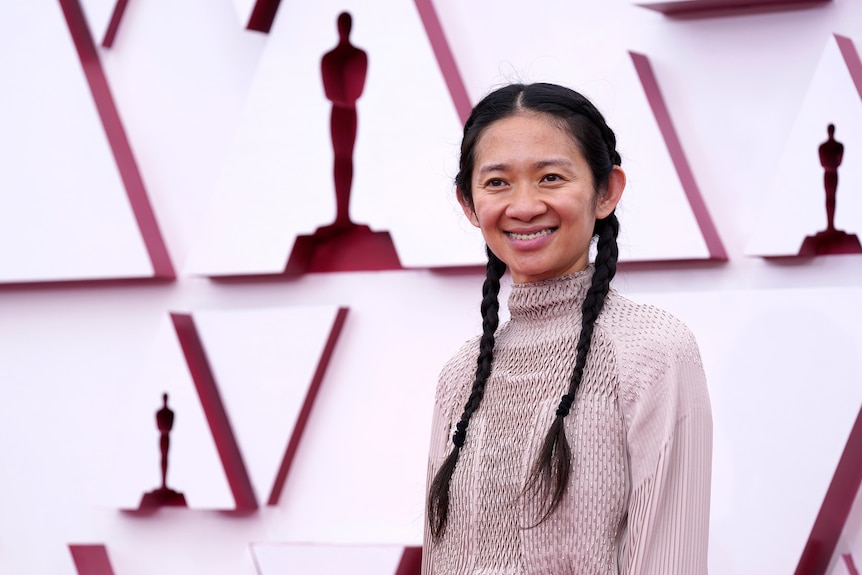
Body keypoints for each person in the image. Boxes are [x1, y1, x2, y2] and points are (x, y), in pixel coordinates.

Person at [422, 83, 712, 575]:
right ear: (469, 205)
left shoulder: (653, 351)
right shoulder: (461, 374)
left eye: (551, 177)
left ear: (606, 191)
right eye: (497, 183)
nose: (524, 206)